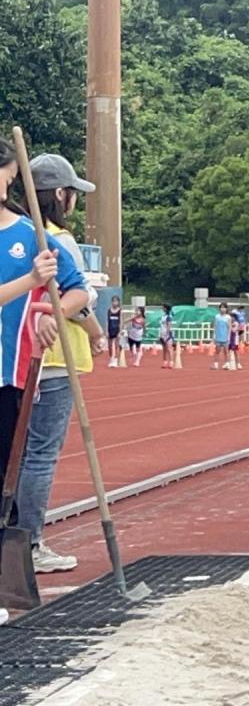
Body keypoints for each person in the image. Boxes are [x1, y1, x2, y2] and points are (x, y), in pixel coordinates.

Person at [0, 139, 89, 580]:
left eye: (9, 179)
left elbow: (76, 291)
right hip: (21, 371)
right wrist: (31, 281)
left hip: (12, 372)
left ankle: (17, 554)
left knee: (12, 468)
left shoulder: (29, 234)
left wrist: (49, 311)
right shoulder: (36, 244)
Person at [18, 153, 106, 573]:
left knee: (16, 454)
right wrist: (96, 332)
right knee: (39, 454)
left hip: (16, 359)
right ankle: (31, 543)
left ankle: (18, 540)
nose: (74, 200)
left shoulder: (14, 232)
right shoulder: (58, 241)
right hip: (52, 358)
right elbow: (77, 299)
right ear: (58, 194)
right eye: (72, 193)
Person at [213, 303, 233, 370]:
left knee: (226, 351)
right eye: (221, 307)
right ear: (219, 308)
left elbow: (229, 327)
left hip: (225, 337)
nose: (223, 309)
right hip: (218, 336)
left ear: (226, 309)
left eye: (224, 308)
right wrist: (214, 335)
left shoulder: (228, 317)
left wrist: (228, 336)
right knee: (217, 351)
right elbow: (215, 326)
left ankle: (227, 364)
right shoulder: (217, 316)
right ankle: (216, 364)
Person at [158, 303, 176, 368]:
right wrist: (160, 334)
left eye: (163, 307)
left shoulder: (168, 317)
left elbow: (169, 326)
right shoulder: (163, 316)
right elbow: (162, 326)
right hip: (162, 334)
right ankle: (165, 362)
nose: (162, 308)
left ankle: (171, 362)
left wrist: (167, 334)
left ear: (165, 308)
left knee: (169, 349)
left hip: (168, 335)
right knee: (164, 349)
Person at [107, 295, 122, 368]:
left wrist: (120, 331)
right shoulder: (109, 310)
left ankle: (115, 360)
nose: (115, 303)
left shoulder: (120, 311)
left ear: (118, 302)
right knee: (109, 346)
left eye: (116, 301)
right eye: (113, 301)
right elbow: (107, 321)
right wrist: (106, 330)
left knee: (116, 345)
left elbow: (121, 321)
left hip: (116, 329)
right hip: (110, 329)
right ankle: (111, 359)